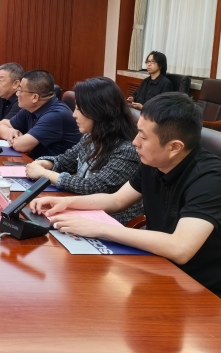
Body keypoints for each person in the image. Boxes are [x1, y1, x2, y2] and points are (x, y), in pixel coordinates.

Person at [30, 93, 221, 297]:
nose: (135, 142)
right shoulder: (154, 161)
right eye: (138, 132)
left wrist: (98, 228)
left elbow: (180, 248)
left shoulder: (210, 179)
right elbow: (116, 200)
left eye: (144, 137)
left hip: (198, 288)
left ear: (175, 147)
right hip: (158, 265)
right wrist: (67, 203)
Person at [25, 77, 143, 224]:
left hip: (112, 223)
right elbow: (66, 160)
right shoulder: (91, 137)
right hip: (83, 211)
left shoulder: (127, 149)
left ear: (98, 111)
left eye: (78, 109)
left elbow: (93, 187)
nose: (74, 114)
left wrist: (45, 173)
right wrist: (43, 163)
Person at [0, 69, 81, 158]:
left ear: (34, 97)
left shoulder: (55, 115)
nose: (17, 94)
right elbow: (2, 126)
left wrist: (14, 138)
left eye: (20, 90)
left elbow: (20, 146)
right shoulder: (30, 107)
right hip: (36, 162)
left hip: (54, 165)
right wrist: (10, 132)